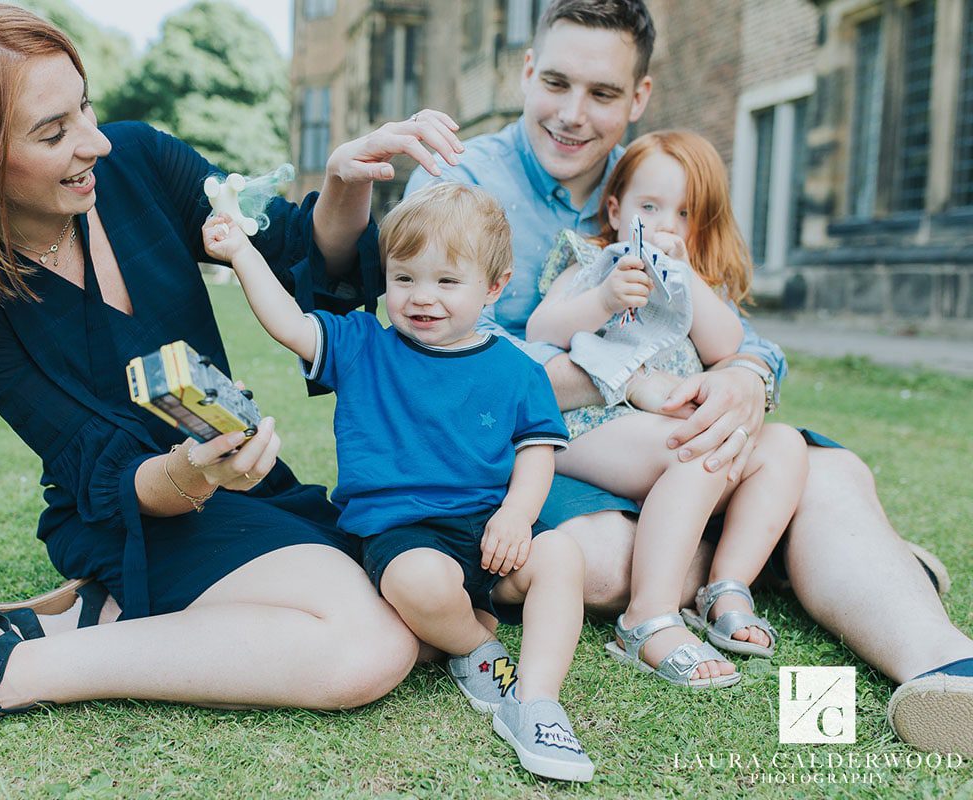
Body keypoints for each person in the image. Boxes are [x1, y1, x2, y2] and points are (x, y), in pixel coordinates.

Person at [0, 0, 467, 771]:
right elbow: (96, 468)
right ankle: (5, 671)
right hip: (136, 512)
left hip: (246, 486)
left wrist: (346, 181)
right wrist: (192, 474)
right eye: (54, 132)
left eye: (86, 107)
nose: (95, 142)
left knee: (418, 597)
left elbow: (295, 255)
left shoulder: (139, 162)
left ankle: (86, 618)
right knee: (370, 648)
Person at [405, 0, 973, 754]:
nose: (574, 115)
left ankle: (943, 669)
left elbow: (743, 336)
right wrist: (617, 378)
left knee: (803, 462)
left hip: (665, 434)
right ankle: (811, 565)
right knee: (603, 565)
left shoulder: (650, 178)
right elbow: (437, 356)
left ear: (638, 97)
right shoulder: (461, 182)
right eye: (557, 84)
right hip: (537, 452)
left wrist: (744, 376)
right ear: (525, 72)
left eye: (604, 94)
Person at [202, 181, 594, 782]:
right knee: (420, 581)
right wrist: (241, 254)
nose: (421, 297)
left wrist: (517, 516)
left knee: (562, 554)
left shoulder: (517, 369)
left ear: (493, 287)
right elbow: (287, 321)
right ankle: (473, 648)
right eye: (404, 278)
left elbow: (538, 451)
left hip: (492, 533)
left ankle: (537, 702)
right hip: (404, 536)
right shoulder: (362, 346)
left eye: (446, 281)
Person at [528, 130, 807, 686]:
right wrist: (603, 299)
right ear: (616, 208)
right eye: (648, 207)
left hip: (669, 429)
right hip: (596, 426)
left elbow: (729, 346)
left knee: (784, 445)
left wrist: (687, 279)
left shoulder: (695, 284)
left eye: (683, 213)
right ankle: (646, 618)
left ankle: (724, 588)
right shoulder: (592, 260)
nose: (664, 225)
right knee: (694, 447)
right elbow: (542, 328)